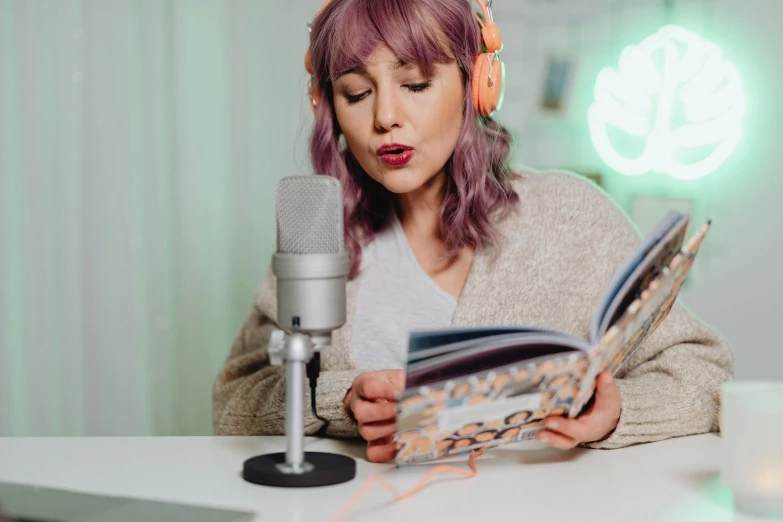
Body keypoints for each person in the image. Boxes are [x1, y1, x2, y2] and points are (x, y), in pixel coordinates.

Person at [212, 0, 733, 463]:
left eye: (415, 84)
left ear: (476, 85)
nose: (385, 117)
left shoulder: (573, 217)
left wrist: (618, 410)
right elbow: (235, 399)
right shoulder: (322, 231)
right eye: (355, 93)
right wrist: (341, 400)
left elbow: (708, 372)